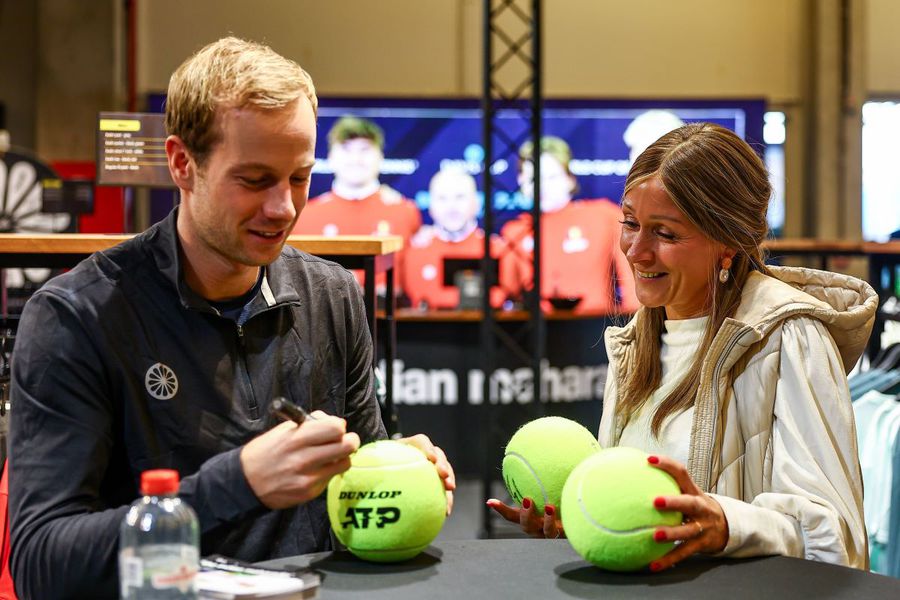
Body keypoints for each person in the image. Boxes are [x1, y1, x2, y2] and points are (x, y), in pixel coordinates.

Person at [7, 37, 454, 599]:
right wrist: (237, 484)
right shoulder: (76, 317)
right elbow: (42, 565)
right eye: (254, 180)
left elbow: (355, 479)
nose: (284, 208)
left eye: (298, 177)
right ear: (181, 164)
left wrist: (395, 474)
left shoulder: (334, 294)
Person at [489, 123, 876, 571]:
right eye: (630, 224)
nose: (636, 251)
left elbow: (837, 538)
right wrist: (580, 523)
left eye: (666, 234)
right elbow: (639, 524)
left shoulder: (789, 338)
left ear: (728, 242)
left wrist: (727, 526)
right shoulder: (635, 343)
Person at [499, 136, 639, 314]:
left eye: (551, 177)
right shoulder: (515, 232)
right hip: (534, 334)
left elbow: (633, 283)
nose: (542, 186)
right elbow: (506, 295)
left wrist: (636, 333)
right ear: (521, 182)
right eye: (533, 179)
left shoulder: (604, 216)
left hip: (594, 331)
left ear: (569, 179)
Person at [292, 115, 422, 294]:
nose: (356, 158)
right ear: (330, 157)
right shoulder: (304, 215)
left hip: (388, 317)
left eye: (365, 149)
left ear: (381, 156)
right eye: (346, 149)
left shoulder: (405, 212)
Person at [404, 167, 504, 310]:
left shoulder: (497, 250)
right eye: (442, 198)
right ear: (431, 207)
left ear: (476, 204)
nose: (451, 207)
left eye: (460, 197)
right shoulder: (415, 252)